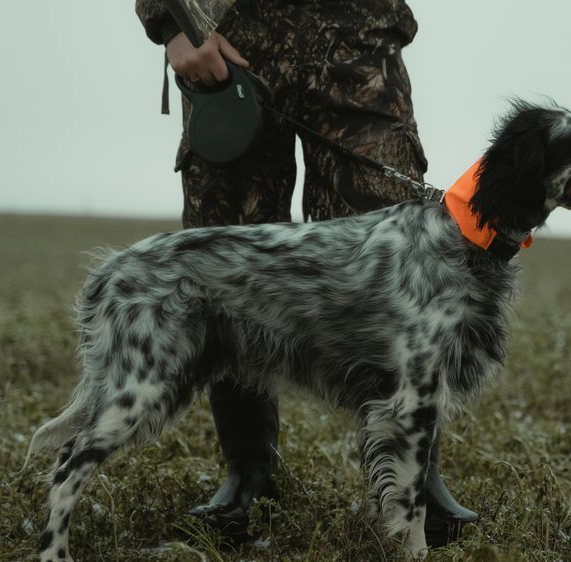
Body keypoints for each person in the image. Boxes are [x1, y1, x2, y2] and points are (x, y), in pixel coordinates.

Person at [134, 0, 476, 546]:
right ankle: (248, 476)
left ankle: (417, 482)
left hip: (358, 33)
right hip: (228, 34)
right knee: (229, 266)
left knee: (397, 268)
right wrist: (173, 24)